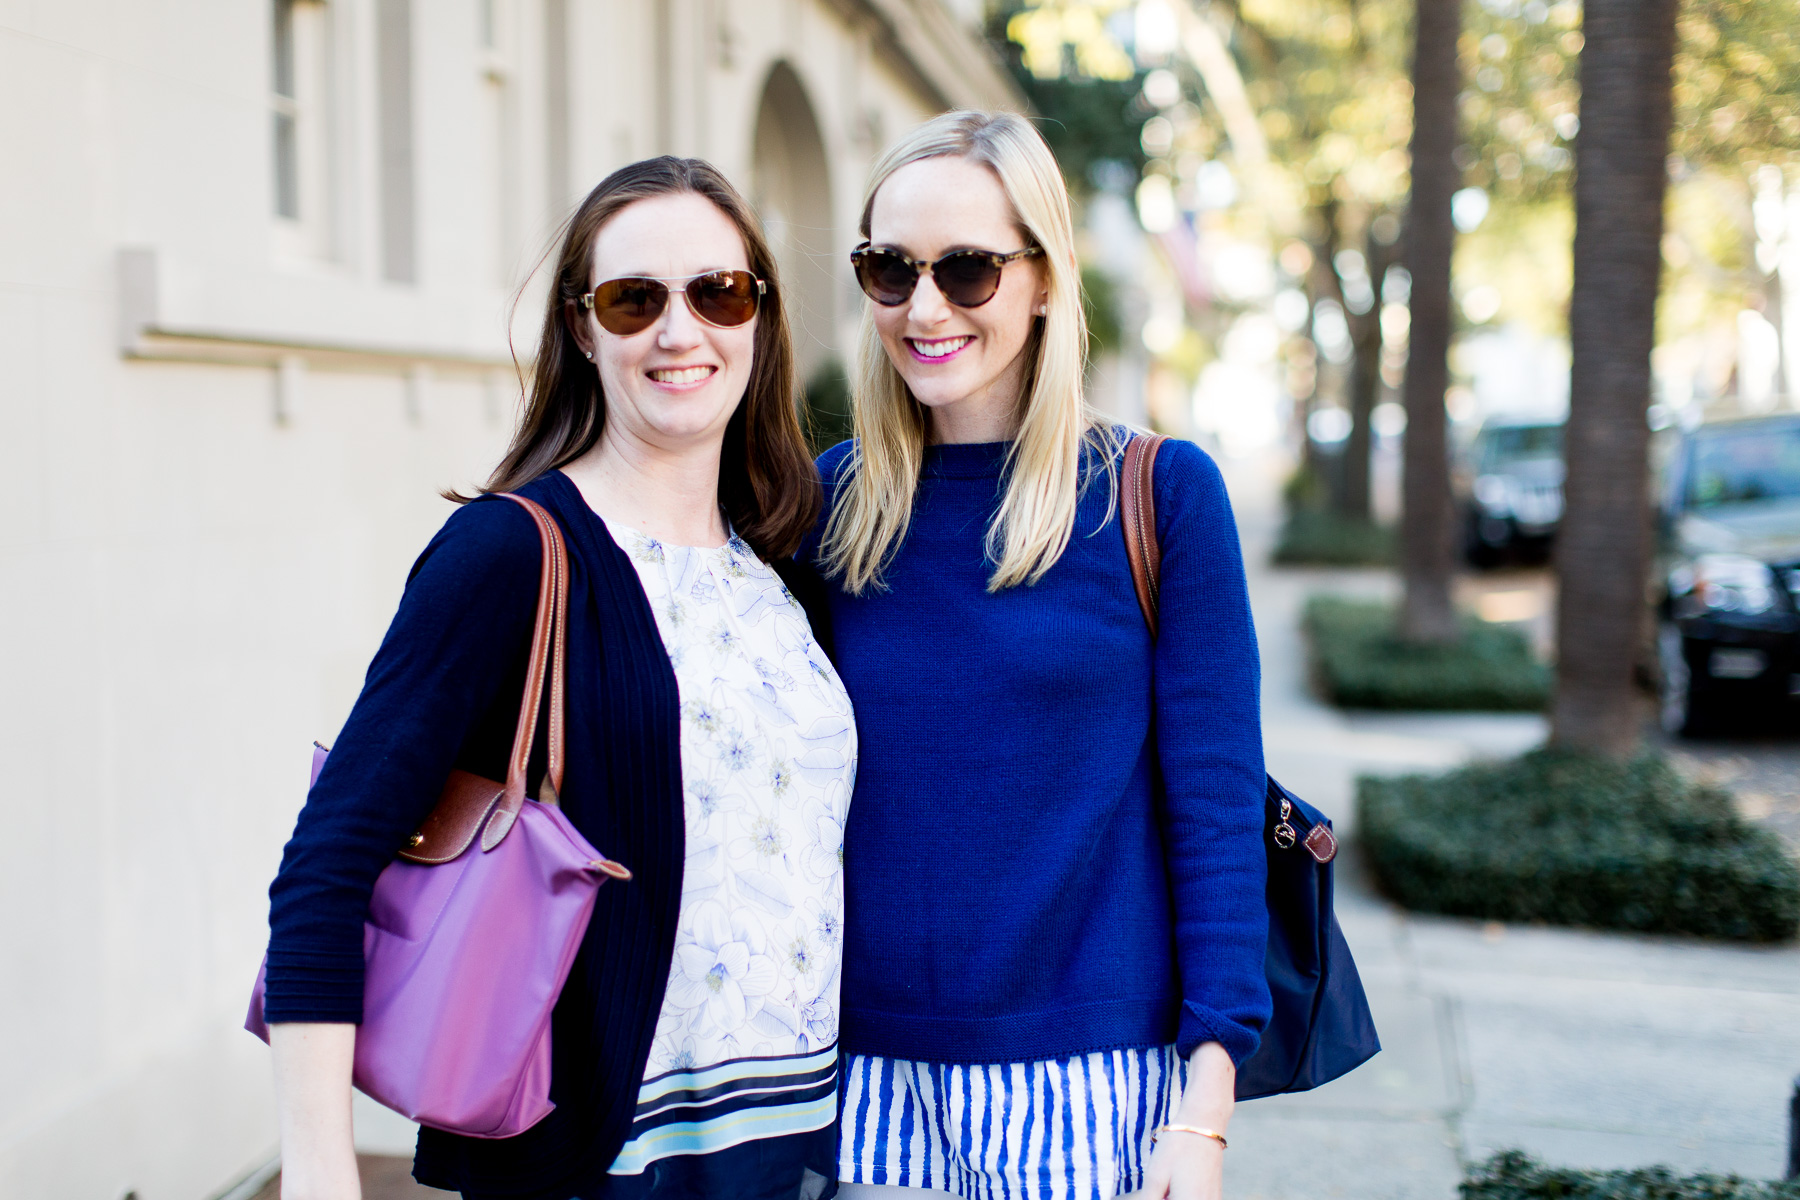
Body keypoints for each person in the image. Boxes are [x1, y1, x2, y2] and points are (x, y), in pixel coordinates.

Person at [262, 157, 855, 1200]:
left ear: (757, 316)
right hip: (603, 1164)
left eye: (718, 292)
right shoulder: (509, 554)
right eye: (635, 300)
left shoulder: (783, 565)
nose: (680, 331)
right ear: (584, 330)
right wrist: (322, 1168)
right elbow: (327, 862)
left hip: (794, 1146)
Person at [811, 111, 1271, 1200]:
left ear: (1047, 279)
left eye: (968, 270)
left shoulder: (1158, 495)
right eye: (890, 269)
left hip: (1088, 1091)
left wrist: (1203, 1119)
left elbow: (1216, 812)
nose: (924, 308)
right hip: (854, 1083)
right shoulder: (826, 505)